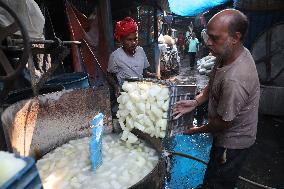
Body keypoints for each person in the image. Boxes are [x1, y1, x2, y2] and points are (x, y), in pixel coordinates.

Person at [173, 9, 260, 189]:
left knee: (220, 179)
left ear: (235, 37)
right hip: (223, 133)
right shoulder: (227, 54)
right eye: (207, 36)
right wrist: (196, 101)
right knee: (214, 170)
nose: (208, 43)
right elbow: (213, 83)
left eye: (214, 38)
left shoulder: (236, 78)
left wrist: (196, 130)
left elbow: (223, 123)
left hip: (234, 141)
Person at [107, 17, 155, 96]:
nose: (133, 43)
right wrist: (116, 86)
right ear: (121, 40)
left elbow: (144, 72)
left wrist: (153, 75)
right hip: (126, 94)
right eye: (129, 40)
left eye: (135, 39)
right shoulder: (115, 56)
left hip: (141, 92)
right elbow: (109, 75)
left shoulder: (141, 51)